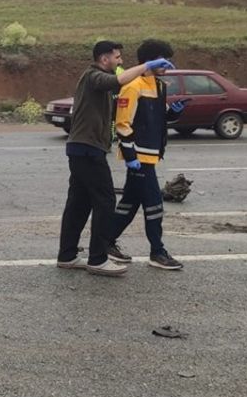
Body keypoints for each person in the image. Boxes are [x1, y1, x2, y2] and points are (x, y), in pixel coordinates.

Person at [58, 41, 174, 276]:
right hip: (87, 148)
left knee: (79, 203)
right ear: (104, 59)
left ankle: (67, 255)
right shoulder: (93, 76)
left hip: (87, 148)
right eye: (118, 57)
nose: (121, 62)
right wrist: (145, 66)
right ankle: (98, 258)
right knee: (105, 201)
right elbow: (117, 82)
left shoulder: (104, 83)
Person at [106, 38, 188, 271]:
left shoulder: (159, 86)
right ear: (151, 61)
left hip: (151, 154)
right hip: (139, 157)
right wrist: (130, 156)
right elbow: (122, 123)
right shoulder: (133, 86)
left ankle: (105, 242)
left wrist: (173, 113)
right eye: (164, 59)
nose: (168, 64)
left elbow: (159, 118)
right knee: (154, 204)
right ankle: (157, 252)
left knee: (130, 203)